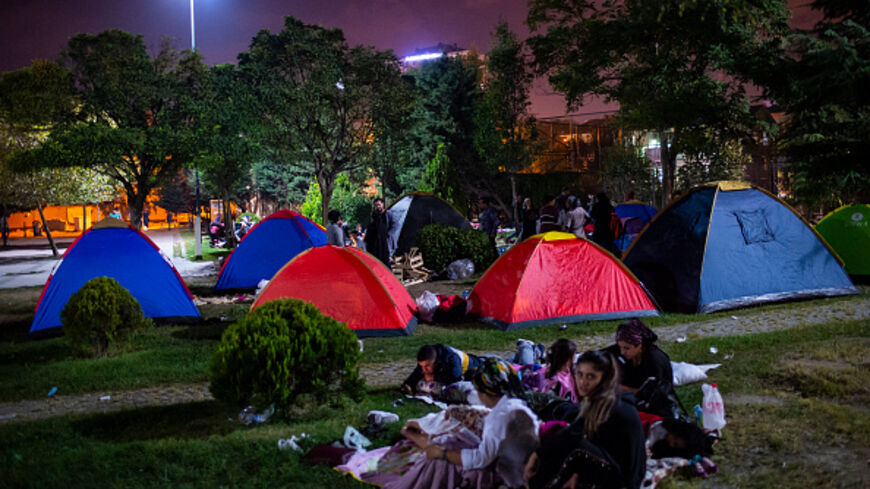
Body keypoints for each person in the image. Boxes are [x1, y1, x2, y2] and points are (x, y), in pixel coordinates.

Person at [390, 358, 539, 489]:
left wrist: (442, 454)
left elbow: (481, 459)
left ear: (484, 393)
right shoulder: (515, 404)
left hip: (509, 474)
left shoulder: (500, 417)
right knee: (454, 438)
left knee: (444, 450)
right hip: (516, 463)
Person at [524, 350, 647, 489]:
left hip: (625, 479)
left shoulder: (612, 405)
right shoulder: (597, 400)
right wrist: (538, 454)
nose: (583, 382)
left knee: (575, 446)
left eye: (591, 377)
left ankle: (535, 484)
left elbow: (575, 437)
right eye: (580, 374)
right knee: (565, 440)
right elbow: (574, 432)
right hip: (610, 462)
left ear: (604, 379)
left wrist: (540, 455)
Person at [603, 318, 673, 395]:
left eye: (627, 348)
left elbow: (655, 393)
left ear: (640, 346)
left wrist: (624, 389)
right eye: (620, 347)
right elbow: (597, 356)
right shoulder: (623, 350)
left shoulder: (654, 360)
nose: (622, 352)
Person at [401, 344, 484, 396]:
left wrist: (434, 377)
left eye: (427, 366)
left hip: (474, 365)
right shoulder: (428, 357)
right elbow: (417, 373)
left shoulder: (451, 358)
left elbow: (455, 377)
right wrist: (408, 384)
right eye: (421, 366)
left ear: (435, 361)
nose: (424, 370)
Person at [365, 197, 392, 265]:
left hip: (384, 242)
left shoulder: (388, 214)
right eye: (376, 205)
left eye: (379, 205)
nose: (377, 207)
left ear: (383, 204)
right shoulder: (374, 223)